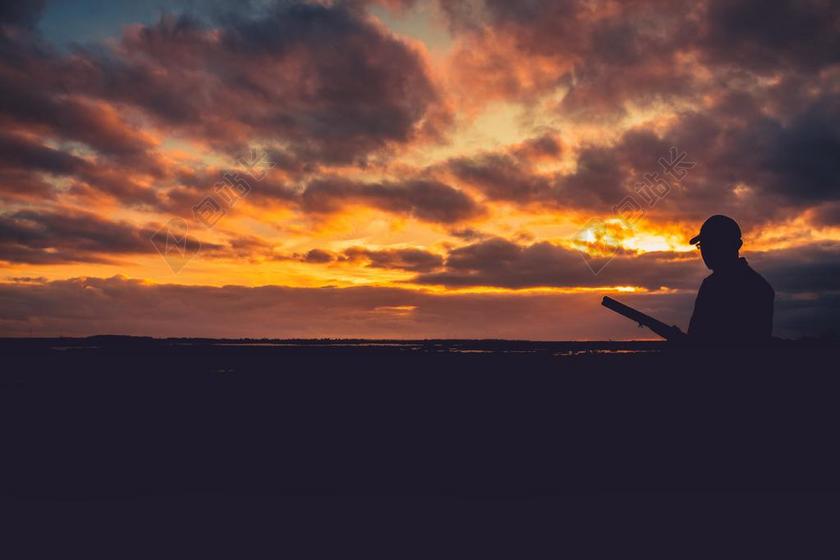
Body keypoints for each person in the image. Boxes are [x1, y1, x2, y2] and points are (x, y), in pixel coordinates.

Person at [687, 215, 775, 343]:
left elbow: (697, 341)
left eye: (712, 243)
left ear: (735, 245)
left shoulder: (711, 286)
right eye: (703, 245)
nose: (705, 251)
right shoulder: (761, 287)